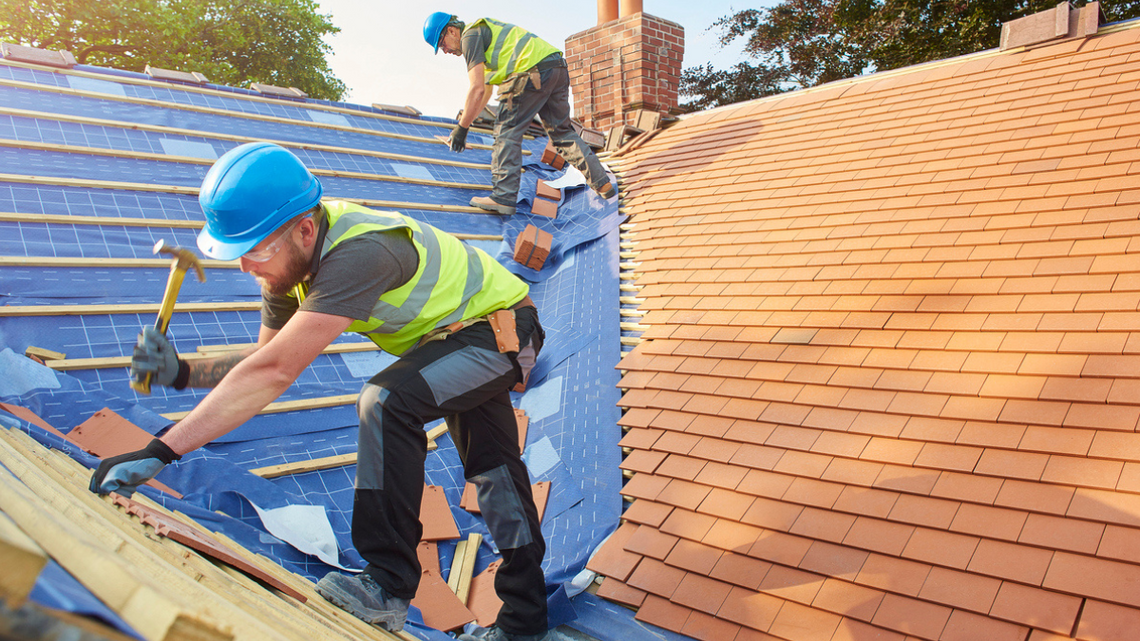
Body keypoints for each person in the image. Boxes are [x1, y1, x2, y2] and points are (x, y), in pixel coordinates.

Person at [89, 142, 557, 641]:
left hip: (503, 331)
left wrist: (162, 449)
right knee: (495, 473)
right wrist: (183, 372)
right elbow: (262, 362)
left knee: (386, 402)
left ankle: (387, 586)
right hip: (455, 339)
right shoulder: (285, 268)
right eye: (237, 254)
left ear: (305, 230)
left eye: (255, 251)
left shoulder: (359, 255)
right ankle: (526, 624)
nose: (247, 267)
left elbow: (273, 373)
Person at [423, 11, 615, 216]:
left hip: (530, 71)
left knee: (506, 131)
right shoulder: (485, 38)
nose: (445, 51)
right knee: (562, 134)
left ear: (452, 31)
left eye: (442, 44)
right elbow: (485, 92)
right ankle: (602, 183)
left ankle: (503, 197)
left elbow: (476, 88)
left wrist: (461, 129)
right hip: (556, 68)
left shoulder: (470, 37)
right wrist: (465, 126)